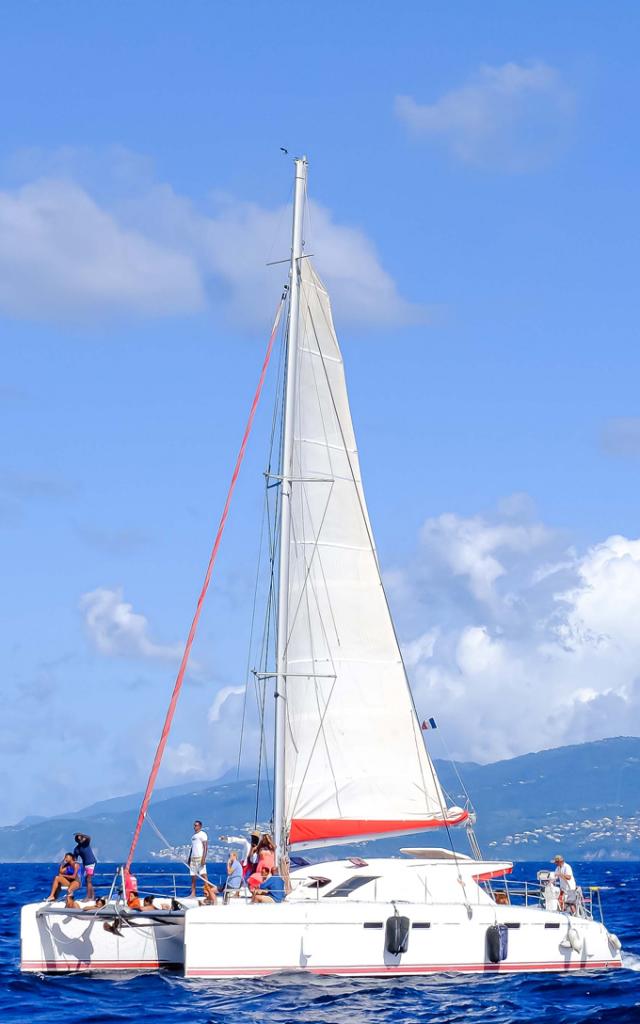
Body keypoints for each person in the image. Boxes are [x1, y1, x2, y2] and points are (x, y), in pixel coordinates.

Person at [73, 832, 97, 901]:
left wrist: (82, 834)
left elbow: (89, 837)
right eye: (77, 838)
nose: (79, 839)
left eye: (80, 838)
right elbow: (74, 859)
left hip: (91, 863)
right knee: (88, 881)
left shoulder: (85, 844)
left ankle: (89, 897)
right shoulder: (77, 849)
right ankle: (92, 896)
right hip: (85, 865)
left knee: (88, 880)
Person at [189, 820, 209, 897]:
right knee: (193, 876)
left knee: (203, 875)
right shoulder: (193, 836)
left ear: (200, 826)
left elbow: (205, 846)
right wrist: (189, 858)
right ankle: (193, 893)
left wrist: (203, 858)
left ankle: (207, 892)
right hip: (193, 859)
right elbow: (192, 848)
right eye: (194, 825)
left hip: (200, 858)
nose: (194, 827)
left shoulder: (203, 834)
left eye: (196, 825)